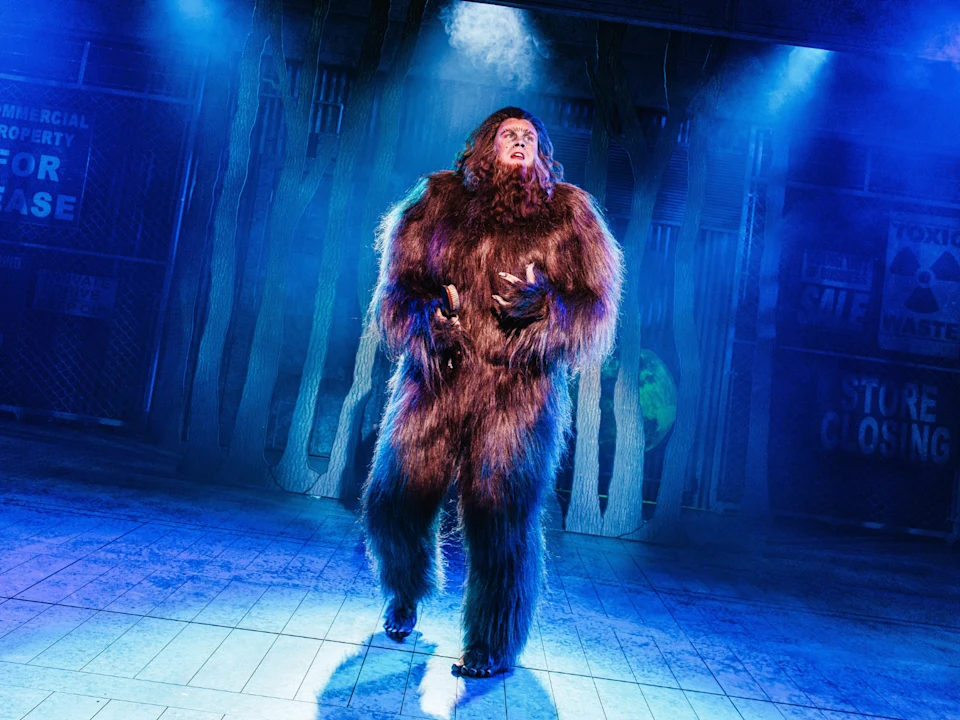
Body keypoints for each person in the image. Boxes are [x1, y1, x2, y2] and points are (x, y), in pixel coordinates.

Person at [362, 106, 623, 677]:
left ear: (543, 154)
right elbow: (396, 289)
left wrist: (546, 309)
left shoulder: (568, 213)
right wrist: (429, 319)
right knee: (395, 501)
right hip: (437, 382)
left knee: (501, 521)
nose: (520, 141)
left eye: (530, 137)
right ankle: (403, 591)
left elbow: (597, 307)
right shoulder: (437, 199)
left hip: (517, 395)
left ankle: (492, 644)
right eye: (509, 134)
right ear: (484, 147)